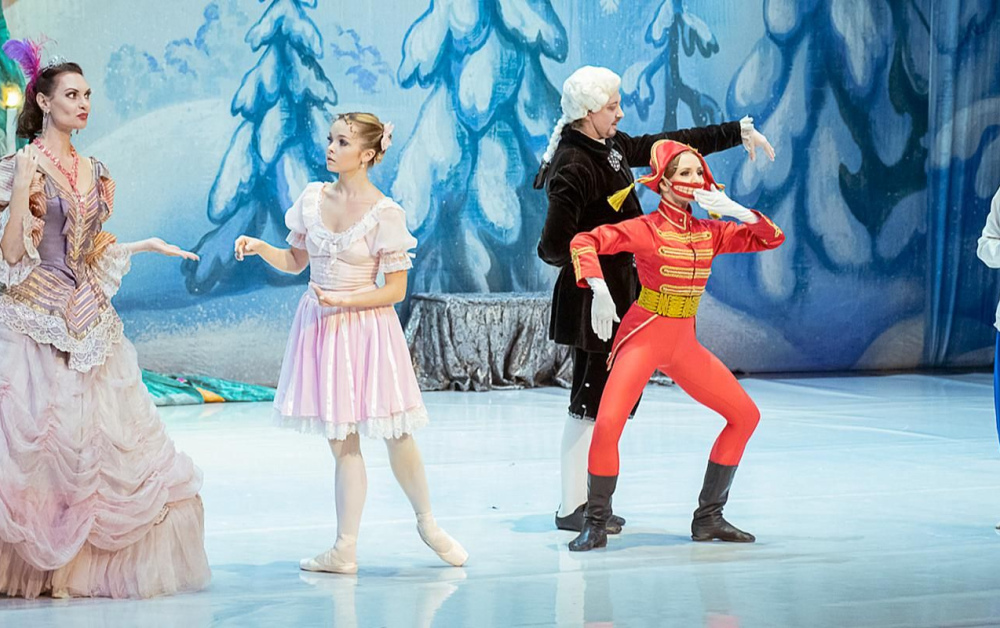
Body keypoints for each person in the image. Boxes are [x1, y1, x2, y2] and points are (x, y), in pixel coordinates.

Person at [0, 41, 210, 598]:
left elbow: (88, 250)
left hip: (88, 318)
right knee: (39, 446)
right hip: (32, 317)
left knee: (92, 448)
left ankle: (71, 569)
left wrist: (143, 245)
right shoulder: (21, 165)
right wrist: (20, 187)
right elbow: (12, 254)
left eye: (87, 94)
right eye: (71, 94)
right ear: (43, 102)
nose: (83, 103)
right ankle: (35, 566)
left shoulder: (93, 170)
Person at [534, 65, 775, 534]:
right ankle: (573, 506)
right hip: (592, 299)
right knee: (590, 403)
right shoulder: (574, 162)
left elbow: (669, 143)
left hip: (623, 291)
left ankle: (589, 503)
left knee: (605, 406)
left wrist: (735, 131)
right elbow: (553, 247)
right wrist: (606, 255)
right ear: (588, 112)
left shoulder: (609, 146)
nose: (620, 114)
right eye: (612, 107)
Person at [234, 112, 467, 574]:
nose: (331, 148)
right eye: (330, 139)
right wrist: (261, 248)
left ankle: (427, 522)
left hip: (368, 329)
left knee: (398, 433)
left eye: (342, 142)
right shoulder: (312, 199)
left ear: (367, 154)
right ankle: (345, 548)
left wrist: (345, 299)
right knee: (342, 439)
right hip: (324, 328)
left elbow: (395, 290)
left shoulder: (385, 213)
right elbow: (296, 260)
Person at [565, 139, 785, 551]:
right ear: (663, 183)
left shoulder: (710, 232)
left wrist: (735, 209)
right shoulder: (646, 228)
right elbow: (584, 241)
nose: (694, 179)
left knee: (745, 416)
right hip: (644, 336)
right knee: (608, 424)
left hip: (684, 344)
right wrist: (598, 286)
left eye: (699, 172)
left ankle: (709, 518)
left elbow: (770, 238)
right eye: (684, 173)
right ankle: (595, 523)